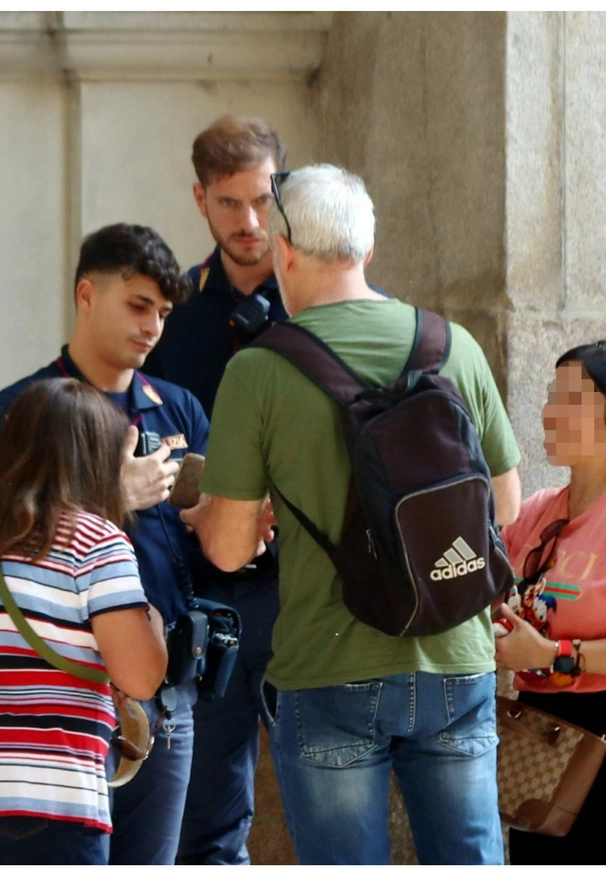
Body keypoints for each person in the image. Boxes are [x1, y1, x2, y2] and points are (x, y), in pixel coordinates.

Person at [182, 163, 522, 865]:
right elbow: (505, 505)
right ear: (368, 251)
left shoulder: (258, 370)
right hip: (457, 656)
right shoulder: (452, 345)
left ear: (285, 251)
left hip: (328, 666)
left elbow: (225, 548)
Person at [0, 223, 212, 865]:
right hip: (51, 697)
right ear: (86, 294)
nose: (153, 327)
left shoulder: (179, 407)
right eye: (138, 306)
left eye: (162, 312)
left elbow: (211, 546)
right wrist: (112, 493)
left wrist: (229, 521)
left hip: (162, 694)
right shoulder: (21, 409)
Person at [0, 378, 169, 864]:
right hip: (44, 797)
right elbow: (141, 676)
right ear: (96, 461)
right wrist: (151, 620)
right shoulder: (96, 541)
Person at [143, 114, 290, 866]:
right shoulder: (171, 319)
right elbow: (146, 445)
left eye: (263, 199)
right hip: (210, 593)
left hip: (311, 587)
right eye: (229, 202)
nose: (250, 221)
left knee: (330, 802)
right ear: (201, 199)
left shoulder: (326, 307)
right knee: (208, 820)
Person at [492, 341, 606, 865]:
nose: (549, 412)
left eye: (570, 400)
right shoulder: (538, 510)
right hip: (536, 727)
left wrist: (551, 655)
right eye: (552, 396)